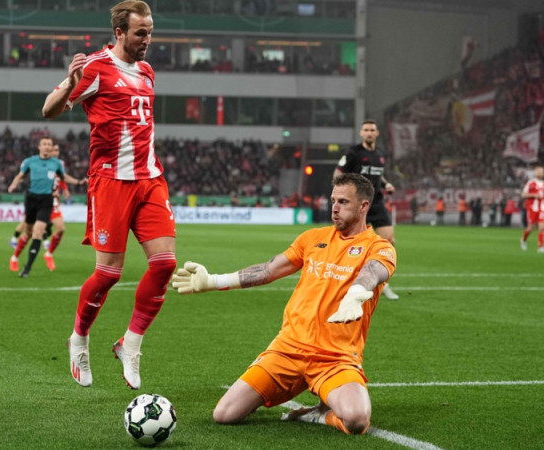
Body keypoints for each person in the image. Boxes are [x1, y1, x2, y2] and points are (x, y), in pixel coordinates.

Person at [170, 173, 396, 435]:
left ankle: (320, 414)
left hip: (335, 357)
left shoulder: (379, 247)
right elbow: (269, 270)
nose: (334, 208)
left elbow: (373, 272)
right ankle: (295, 394)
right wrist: (213, 281)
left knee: (356, 420)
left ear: (364, 206)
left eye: (343, 202)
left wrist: (356, 293)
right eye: (333, 200)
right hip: (287, 350)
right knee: (225, 414)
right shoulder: (313, 238)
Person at [42, 0, 178, 390]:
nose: (147, 40)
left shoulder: (148, 72)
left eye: (150, 32)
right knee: (108, 274)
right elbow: (48, 110)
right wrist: (70, 82)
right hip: (111, 182)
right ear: (119, 33)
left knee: (165, 264)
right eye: (140, 33)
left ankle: (130, 344)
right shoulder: (95, 68)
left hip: (150, 179)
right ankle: (79, 339)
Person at [333, 119, 399, 300]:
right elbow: (338, 174)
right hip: (357, 204)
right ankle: (342, 278)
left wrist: (386, 184)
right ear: (361, 133)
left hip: (376, 203)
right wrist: (343, 195)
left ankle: (382, 283)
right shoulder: (353, 152)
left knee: (389, 241)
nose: (369, 133)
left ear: (377, 133)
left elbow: (378, 173)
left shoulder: (380, 154)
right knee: (348, 243)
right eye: (366, 130)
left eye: (372, 130)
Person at [8, 136, 84, 277]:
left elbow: (63, 178)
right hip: (32, 199)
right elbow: (20, 175)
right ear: (39, 146)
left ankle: (30, 266)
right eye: (45, 144)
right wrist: (13, 184)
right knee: (28, 232)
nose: (48, 147)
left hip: (48, 201)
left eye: (50, 145)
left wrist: (78, 182)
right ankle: (15, 257)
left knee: (46, 231)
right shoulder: (31, 161)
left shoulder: (57, 164)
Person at [520, 165, 544, 253]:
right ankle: (524, 239)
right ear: (535, 173)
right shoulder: (530, 183)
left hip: (542, 208)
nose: (540, 173)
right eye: (538, 171)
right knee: (531, 228)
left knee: (542, 227)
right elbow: (523, 194)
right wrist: (534, 195)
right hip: (532, 208)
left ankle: (541, 247)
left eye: (542, 172)